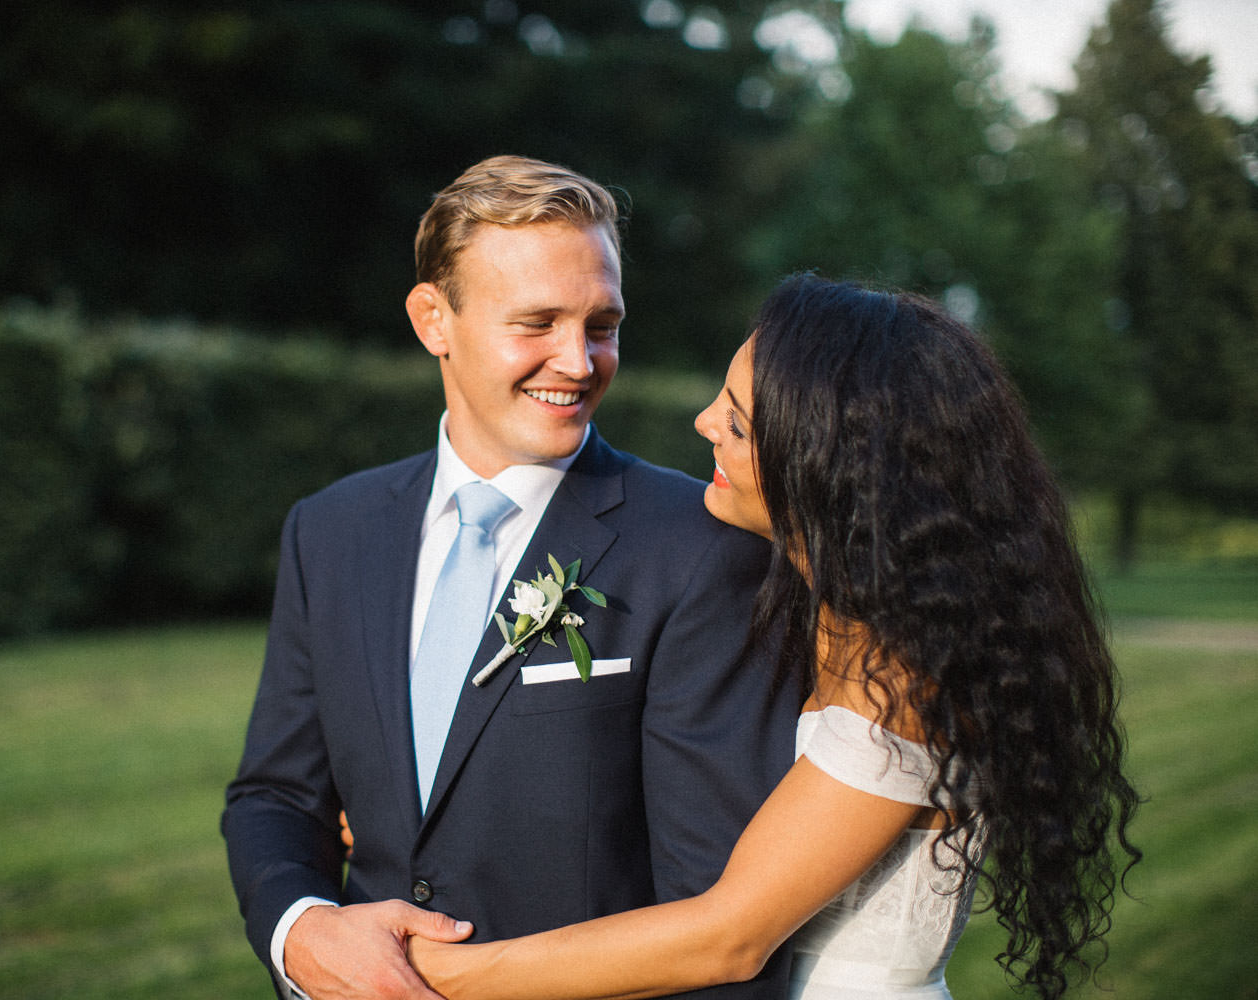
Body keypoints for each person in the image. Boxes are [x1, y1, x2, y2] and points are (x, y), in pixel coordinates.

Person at [407, 274, 1141, 1000]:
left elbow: (727, 938)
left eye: (736, 422)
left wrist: (426, 973)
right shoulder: (809, 608)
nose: (701, 423)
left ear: (826, 464)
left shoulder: (904, 680)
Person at [222, 155, 800, 1000]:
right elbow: (276, 792)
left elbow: (719, 910)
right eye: (537, 323)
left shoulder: (700, 548)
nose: (579, 361)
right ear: (433, 320)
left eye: (602, 324)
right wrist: (299, 931)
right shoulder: (332, 529)